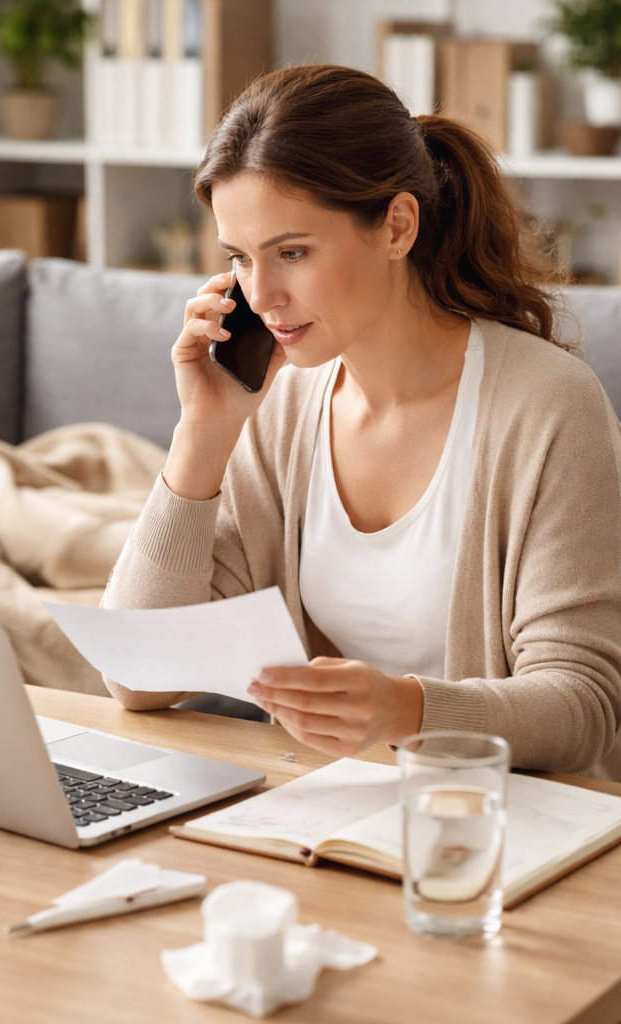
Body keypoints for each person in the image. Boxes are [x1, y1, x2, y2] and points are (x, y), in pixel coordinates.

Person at [103, 64, 621, 780]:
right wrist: (203, 432)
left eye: (292, 252)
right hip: (336, 815)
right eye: (239, 260)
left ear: (397, 227)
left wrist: (406, 711)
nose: (263, 295)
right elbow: (137, 678)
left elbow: (585, 707)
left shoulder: (548, 407)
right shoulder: (282, 404)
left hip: (506, 828)